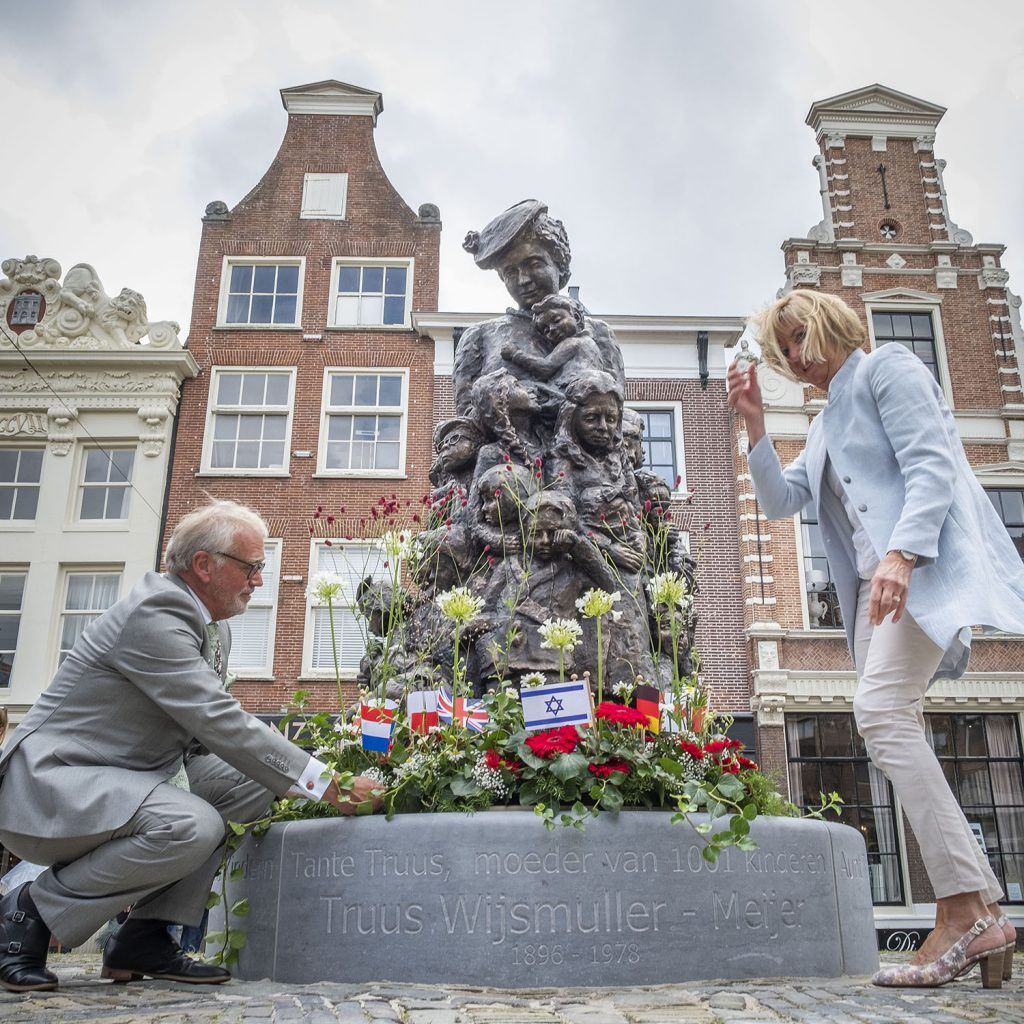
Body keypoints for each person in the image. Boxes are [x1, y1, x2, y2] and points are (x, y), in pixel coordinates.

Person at [728, 290, 1024, 989]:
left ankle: (962, 912)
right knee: (892, 720)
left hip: (917, 573)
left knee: (882, 715)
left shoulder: (890, 367)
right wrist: (755, 427)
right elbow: (781, 502)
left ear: (830, 323)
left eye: (799, 340)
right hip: (877, 594)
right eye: (784, 351)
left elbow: (932, 466)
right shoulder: (828, 419)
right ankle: (980, 909)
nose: (796, 359)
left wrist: (902, 555)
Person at [0, 500, 384, 992]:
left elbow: (205, 738)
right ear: (204, 565)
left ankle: (146, 936)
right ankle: (27, 910)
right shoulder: (156, 611)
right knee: (190, 824)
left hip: (130, 779)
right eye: (252, 567)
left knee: (252, 783)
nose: (260, 580)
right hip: (54, 786)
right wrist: (331, 785)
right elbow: (218, 719)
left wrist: (298, 777)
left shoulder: (211, 624)